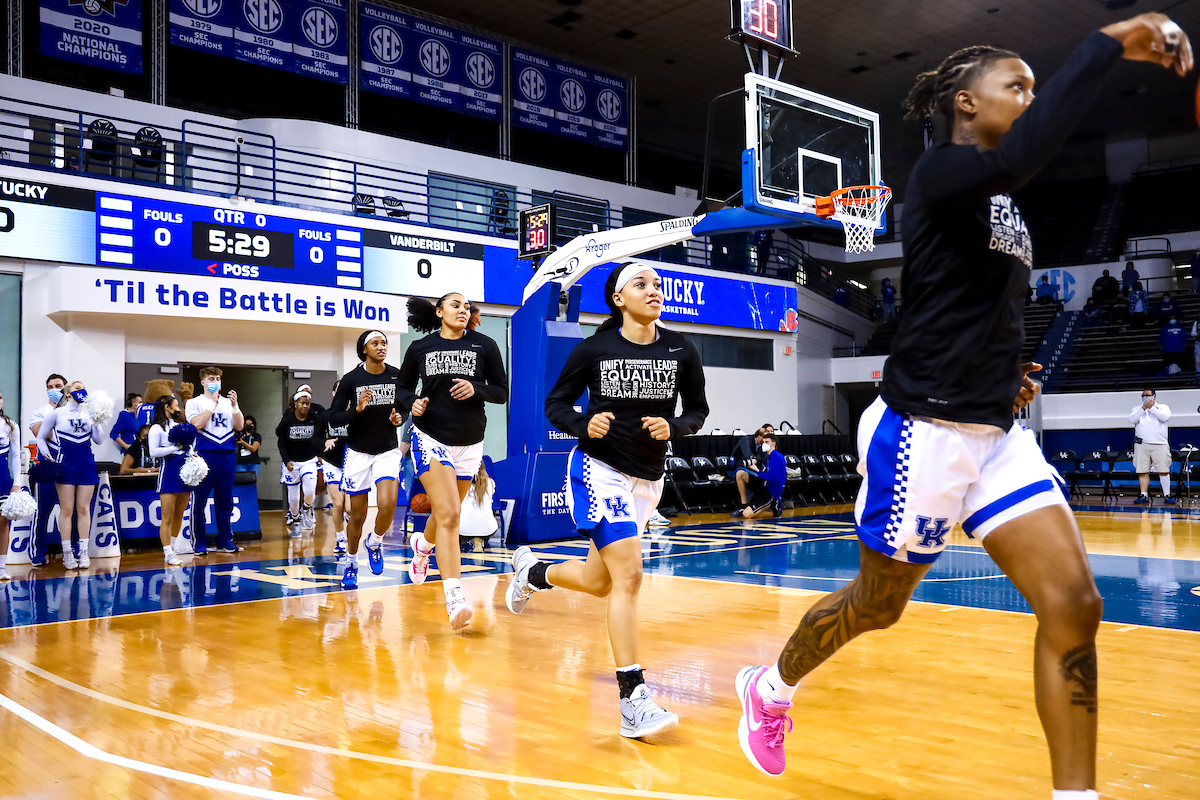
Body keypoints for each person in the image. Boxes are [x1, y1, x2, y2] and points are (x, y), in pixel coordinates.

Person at [732, 16, 1192, 794]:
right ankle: (770, 688)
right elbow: (1020, 154)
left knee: (1075, 603)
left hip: (995, 431)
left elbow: (978, 304)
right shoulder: (944, 172)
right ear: (965, 102)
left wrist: (1008, 373)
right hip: (921, 435)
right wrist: (1108, 45)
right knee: (878, 607)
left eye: (1034, 86)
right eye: (1015, 83)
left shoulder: (1003, 205)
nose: (1028, 94)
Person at [506, 263, 709, 739]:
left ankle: (532, 573)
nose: (653, 290)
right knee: (631, 576)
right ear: (618, 298)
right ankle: (633, 700)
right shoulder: (595, 348)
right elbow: (555, 402)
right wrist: (581, 424)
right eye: (641, 284)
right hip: (598, 471)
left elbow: (697, 410)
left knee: (601, 582)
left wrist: (675, 426)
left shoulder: (682, 349)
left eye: (657, 285)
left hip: (647, 479)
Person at [398, 294, 509, 631]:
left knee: (448, 513)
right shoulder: (420, 348)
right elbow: (402, 389)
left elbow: (501, 391)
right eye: (455, 305)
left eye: (467, 307)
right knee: (449, 514)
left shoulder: (485, 345)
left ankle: (423, 546)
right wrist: (413, 404)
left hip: (471, 442)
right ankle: (455, 599)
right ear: (439, 312)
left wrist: (477, 389)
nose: (463, 310)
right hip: (430, 437)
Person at [328, 331, 407, 590]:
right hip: (358, 452)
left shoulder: (396, 375)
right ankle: (351, 562)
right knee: (358, 515)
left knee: (388, 504)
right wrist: (357, 410)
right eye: (376, 343)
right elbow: (334, 417)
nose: (381, 347)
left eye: (384, 343)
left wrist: (400, 418)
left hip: (386, 449)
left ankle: (375, 541)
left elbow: (404, 407)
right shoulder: (351, 379)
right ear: (364, 349)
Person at [36, 380, 104, 570]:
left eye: (83, 387)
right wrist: (48, 455)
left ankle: (83, 551)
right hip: (65, 464)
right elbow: (40, 436)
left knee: (84, 509)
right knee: (67, 509)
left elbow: (99, 440)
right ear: (67, 393)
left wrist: (97, 421)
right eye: (77, 388)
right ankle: (67, 553)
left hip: (86, 464)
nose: (82, 390)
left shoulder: (90, 414)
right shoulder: (57, 413)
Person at [185, 366, 245, 555]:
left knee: (225, 501)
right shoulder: (194, 402)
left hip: (226, 455)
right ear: (202, 382)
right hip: (204, 454)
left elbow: (239, 426)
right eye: (211, 378)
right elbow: (197, 424)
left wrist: (235, 407)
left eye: (218, 378)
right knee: (199, 501)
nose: (215, 382)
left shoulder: (228, 403)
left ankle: (225, 539)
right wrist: (212, 404)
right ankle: (199, 542)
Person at [149, 395, 192, 566]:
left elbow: (187, 447)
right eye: (176, 405)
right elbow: (153, 452)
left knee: (179, 513)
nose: (178, 408)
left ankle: (173, 548)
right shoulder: (156, 429)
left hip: (185, 472)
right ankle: (167, 552)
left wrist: (191, 453)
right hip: (168, 472)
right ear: (167, 407)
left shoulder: (178, 426)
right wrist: (175, 448)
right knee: (167, 516)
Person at [277, 389, 324, 538]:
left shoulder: (314, 418)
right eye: (302, 403)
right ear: (296, 404)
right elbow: (281, 442)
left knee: (310, 490)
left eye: (308, 403)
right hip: (292, 461)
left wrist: (320, 454)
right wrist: (287, 461)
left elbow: (320, 437)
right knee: (294, 497)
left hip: (309, 459)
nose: (305, 406)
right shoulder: (288, 419)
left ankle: (307, 508)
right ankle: (296, 520)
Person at [321, 383, 351, 556]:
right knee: (338, 503)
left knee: (349, 508)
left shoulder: (355, 415)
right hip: (332, 462)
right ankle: (340, 538)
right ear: (333, 393)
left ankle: (347, 519)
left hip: (351, 463)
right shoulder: (326, 415)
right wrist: (322, 444)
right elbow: (316, 437)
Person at [1130, 388, 1173, 505]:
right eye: (1143, 395)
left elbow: (1164, 417)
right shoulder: (1137, 409)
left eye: (1148, 395)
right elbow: (1132, 419)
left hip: (1160, 444)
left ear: (1154, 396)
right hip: (1142, 445)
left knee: (1163, 470)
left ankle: (1167, 495)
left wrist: (1152, 408)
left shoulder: (1163, 407)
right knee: (1142, 470)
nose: (1145, 397)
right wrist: (1143, 409)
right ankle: (1144, 495)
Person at [730, 433, 786, 519]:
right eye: (764, 442)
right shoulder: (769, 456)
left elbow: (773, 479)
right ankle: (744, 504)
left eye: (767, 442)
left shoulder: (776, 457)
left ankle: (774, 501)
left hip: (770, 492)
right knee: (740, 473)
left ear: (773, 444)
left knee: (747, 514)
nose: (764, 444)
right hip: (763, 485)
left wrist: (757, 470)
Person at [0, 389, 25, 581]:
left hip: (3, 478)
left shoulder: (10, 425)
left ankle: (1, 567)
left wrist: (17, 483)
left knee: (3, 524)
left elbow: (16, 456)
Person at [458, 461, 498, 553]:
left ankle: (461, 542)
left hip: (463, 528)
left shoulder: (462, 483)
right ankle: (479, 539)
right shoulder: (491, 482)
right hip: (488, 527)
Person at [730, 428, 766, 514]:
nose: (766, 440)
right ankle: (744, 505)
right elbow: (748, 456)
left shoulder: (763, 445)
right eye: (764, 437)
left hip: (751, 468)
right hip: (736, 467)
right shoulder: (746, 440)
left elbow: (764, 458)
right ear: (758, 437)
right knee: (745, 474)